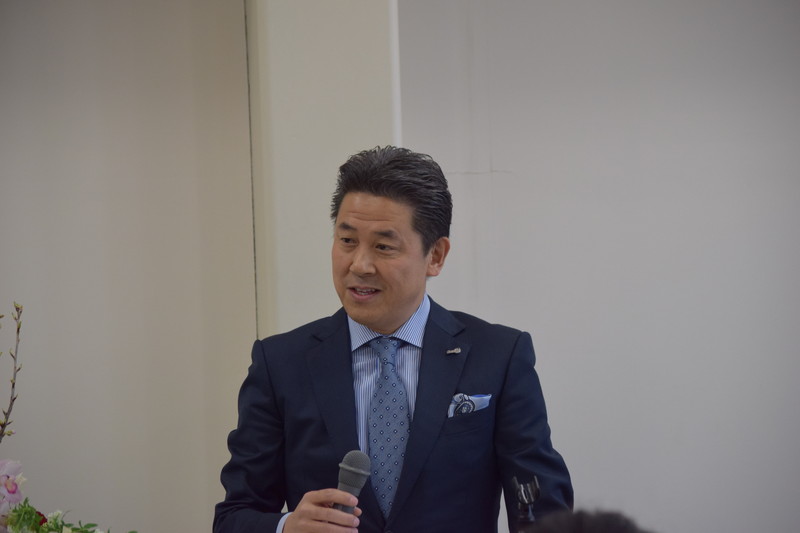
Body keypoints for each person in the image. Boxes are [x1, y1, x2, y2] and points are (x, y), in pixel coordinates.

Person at [213, 146, 573, 533]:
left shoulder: (498, 356)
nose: (359, 265)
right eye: (347, 240)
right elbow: (234, 516)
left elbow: (544, 509)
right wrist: (286, 527)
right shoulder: (280, 363)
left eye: (383, 246)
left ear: (436, 255)